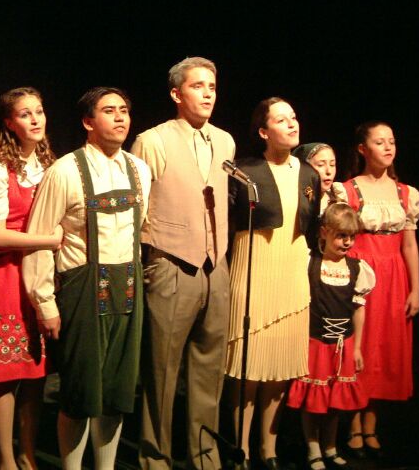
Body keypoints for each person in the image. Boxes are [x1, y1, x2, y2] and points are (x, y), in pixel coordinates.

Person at [23, 86, 151, 469]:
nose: (120, 117)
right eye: (109, 110)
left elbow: (140, 227)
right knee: (80, 392)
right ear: (87, 122)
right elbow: (38, 240)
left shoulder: (139, 170)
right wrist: (44, 303)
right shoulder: (64, 171)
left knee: (116, 393)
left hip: (128, 286)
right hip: (81, 290)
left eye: (124, 109)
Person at [131, 56, 235, 469]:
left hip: (216, 265)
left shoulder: (224, 141)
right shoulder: (152, 141)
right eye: (197, 86)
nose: (208, 94)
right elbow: (138, 208)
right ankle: (156, 457)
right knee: (161, 371)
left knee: (209, 369)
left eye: (212, 86)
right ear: (177, 94)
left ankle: (204, 456)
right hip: (172, 263)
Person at [226, 97, 319, 469]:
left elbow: (311, 225)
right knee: (247, 371)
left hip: (291, 272)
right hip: (253, 270)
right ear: (264, 131)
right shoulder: (242, 170)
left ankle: (269, 449)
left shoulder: (308, 173)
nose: (292, 124)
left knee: (279, 370)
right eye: (282, 120)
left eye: (293, 117)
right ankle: (241, 450)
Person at [0, 87, 62, 470]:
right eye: (25, 114)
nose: (35, 119)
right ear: (9, 123)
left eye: (39, 111)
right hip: (3, 277)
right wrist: (49, 240)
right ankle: (6, 460)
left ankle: (28, 455)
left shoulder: (48, 164)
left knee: (34, 371)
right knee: (4, 371)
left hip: (40, 274)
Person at [333, 121, 419, 459]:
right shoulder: (348, 190)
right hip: (360, 272)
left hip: (394, 277)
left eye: (392, 142)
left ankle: (371, 424)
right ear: (362, 149)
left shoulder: (405, 193)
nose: (388, 147)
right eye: (380, 142)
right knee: (361, 345)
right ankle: (353, 424)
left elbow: (409, 245)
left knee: (385, 349)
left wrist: (416, 288)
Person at [287, 203, 375, 470]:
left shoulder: (357, 268)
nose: (347, 242)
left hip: (342, 344)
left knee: (335, 399)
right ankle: (313, 447)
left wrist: (356, 347)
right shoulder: (311, 263)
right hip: (315, 342)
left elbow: (358, 310)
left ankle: (330, 445)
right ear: (324, 232)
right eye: (341, 236)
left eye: (351, 236)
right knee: (313, 398)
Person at [293, 142, 337, 212]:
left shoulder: (338, 200)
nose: (329, 171)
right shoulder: (294, 201)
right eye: (320, 165)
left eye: (332, 164)